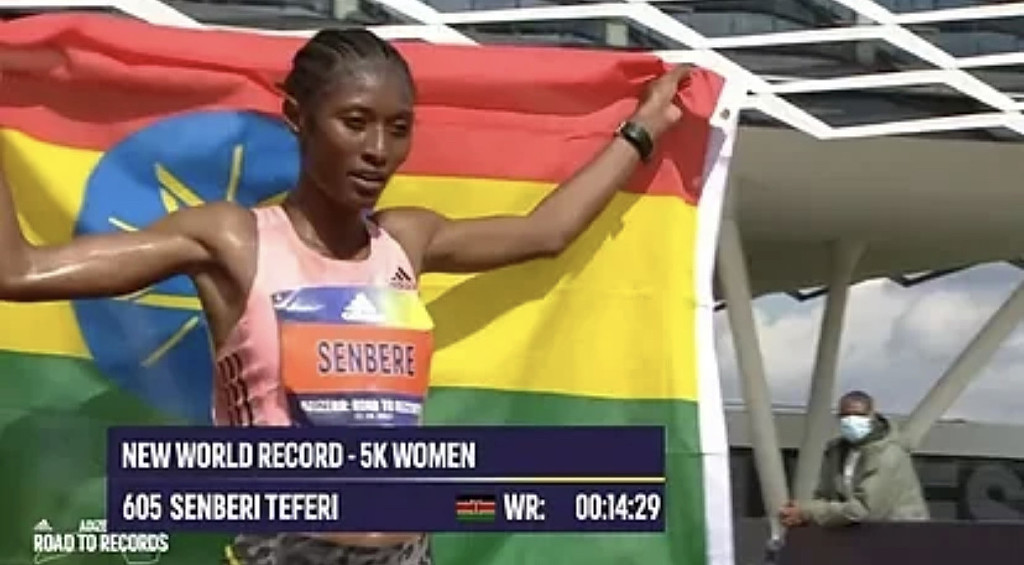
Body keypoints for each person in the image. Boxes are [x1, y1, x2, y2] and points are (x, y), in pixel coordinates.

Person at [0, 28, 693, 565]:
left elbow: (547, 232)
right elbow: (19, 271)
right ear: (297, 118)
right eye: (355, 122)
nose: (378, 150)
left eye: (399, 128)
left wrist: (643, 130)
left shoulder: (406, 240)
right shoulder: (233, 241)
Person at [779, 390, 930, 529]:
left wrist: (808, 512)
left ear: (872, 416)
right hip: (857, 536)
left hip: (900, 536)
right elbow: (824, 497)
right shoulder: (836, 452)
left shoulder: (889, 453)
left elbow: (864, 510)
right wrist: (802, 512)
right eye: (845, 416)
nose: (851, 420)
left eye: (859, 415)